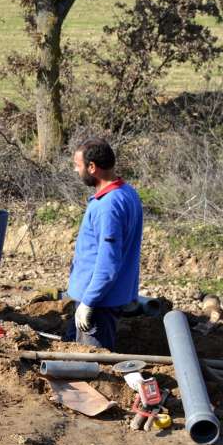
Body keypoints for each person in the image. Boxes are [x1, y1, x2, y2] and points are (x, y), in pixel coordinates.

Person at [63, 137, 143, 350]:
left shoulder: (108, 206)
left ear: (92, 167)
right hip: (103, 297)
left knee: (92, 363)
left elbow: (108, 263)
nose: (75, 170)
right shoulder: (127, 193)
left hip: (99, 302)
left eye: (77, 166)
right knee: (70, 350)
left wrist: (89, 302)